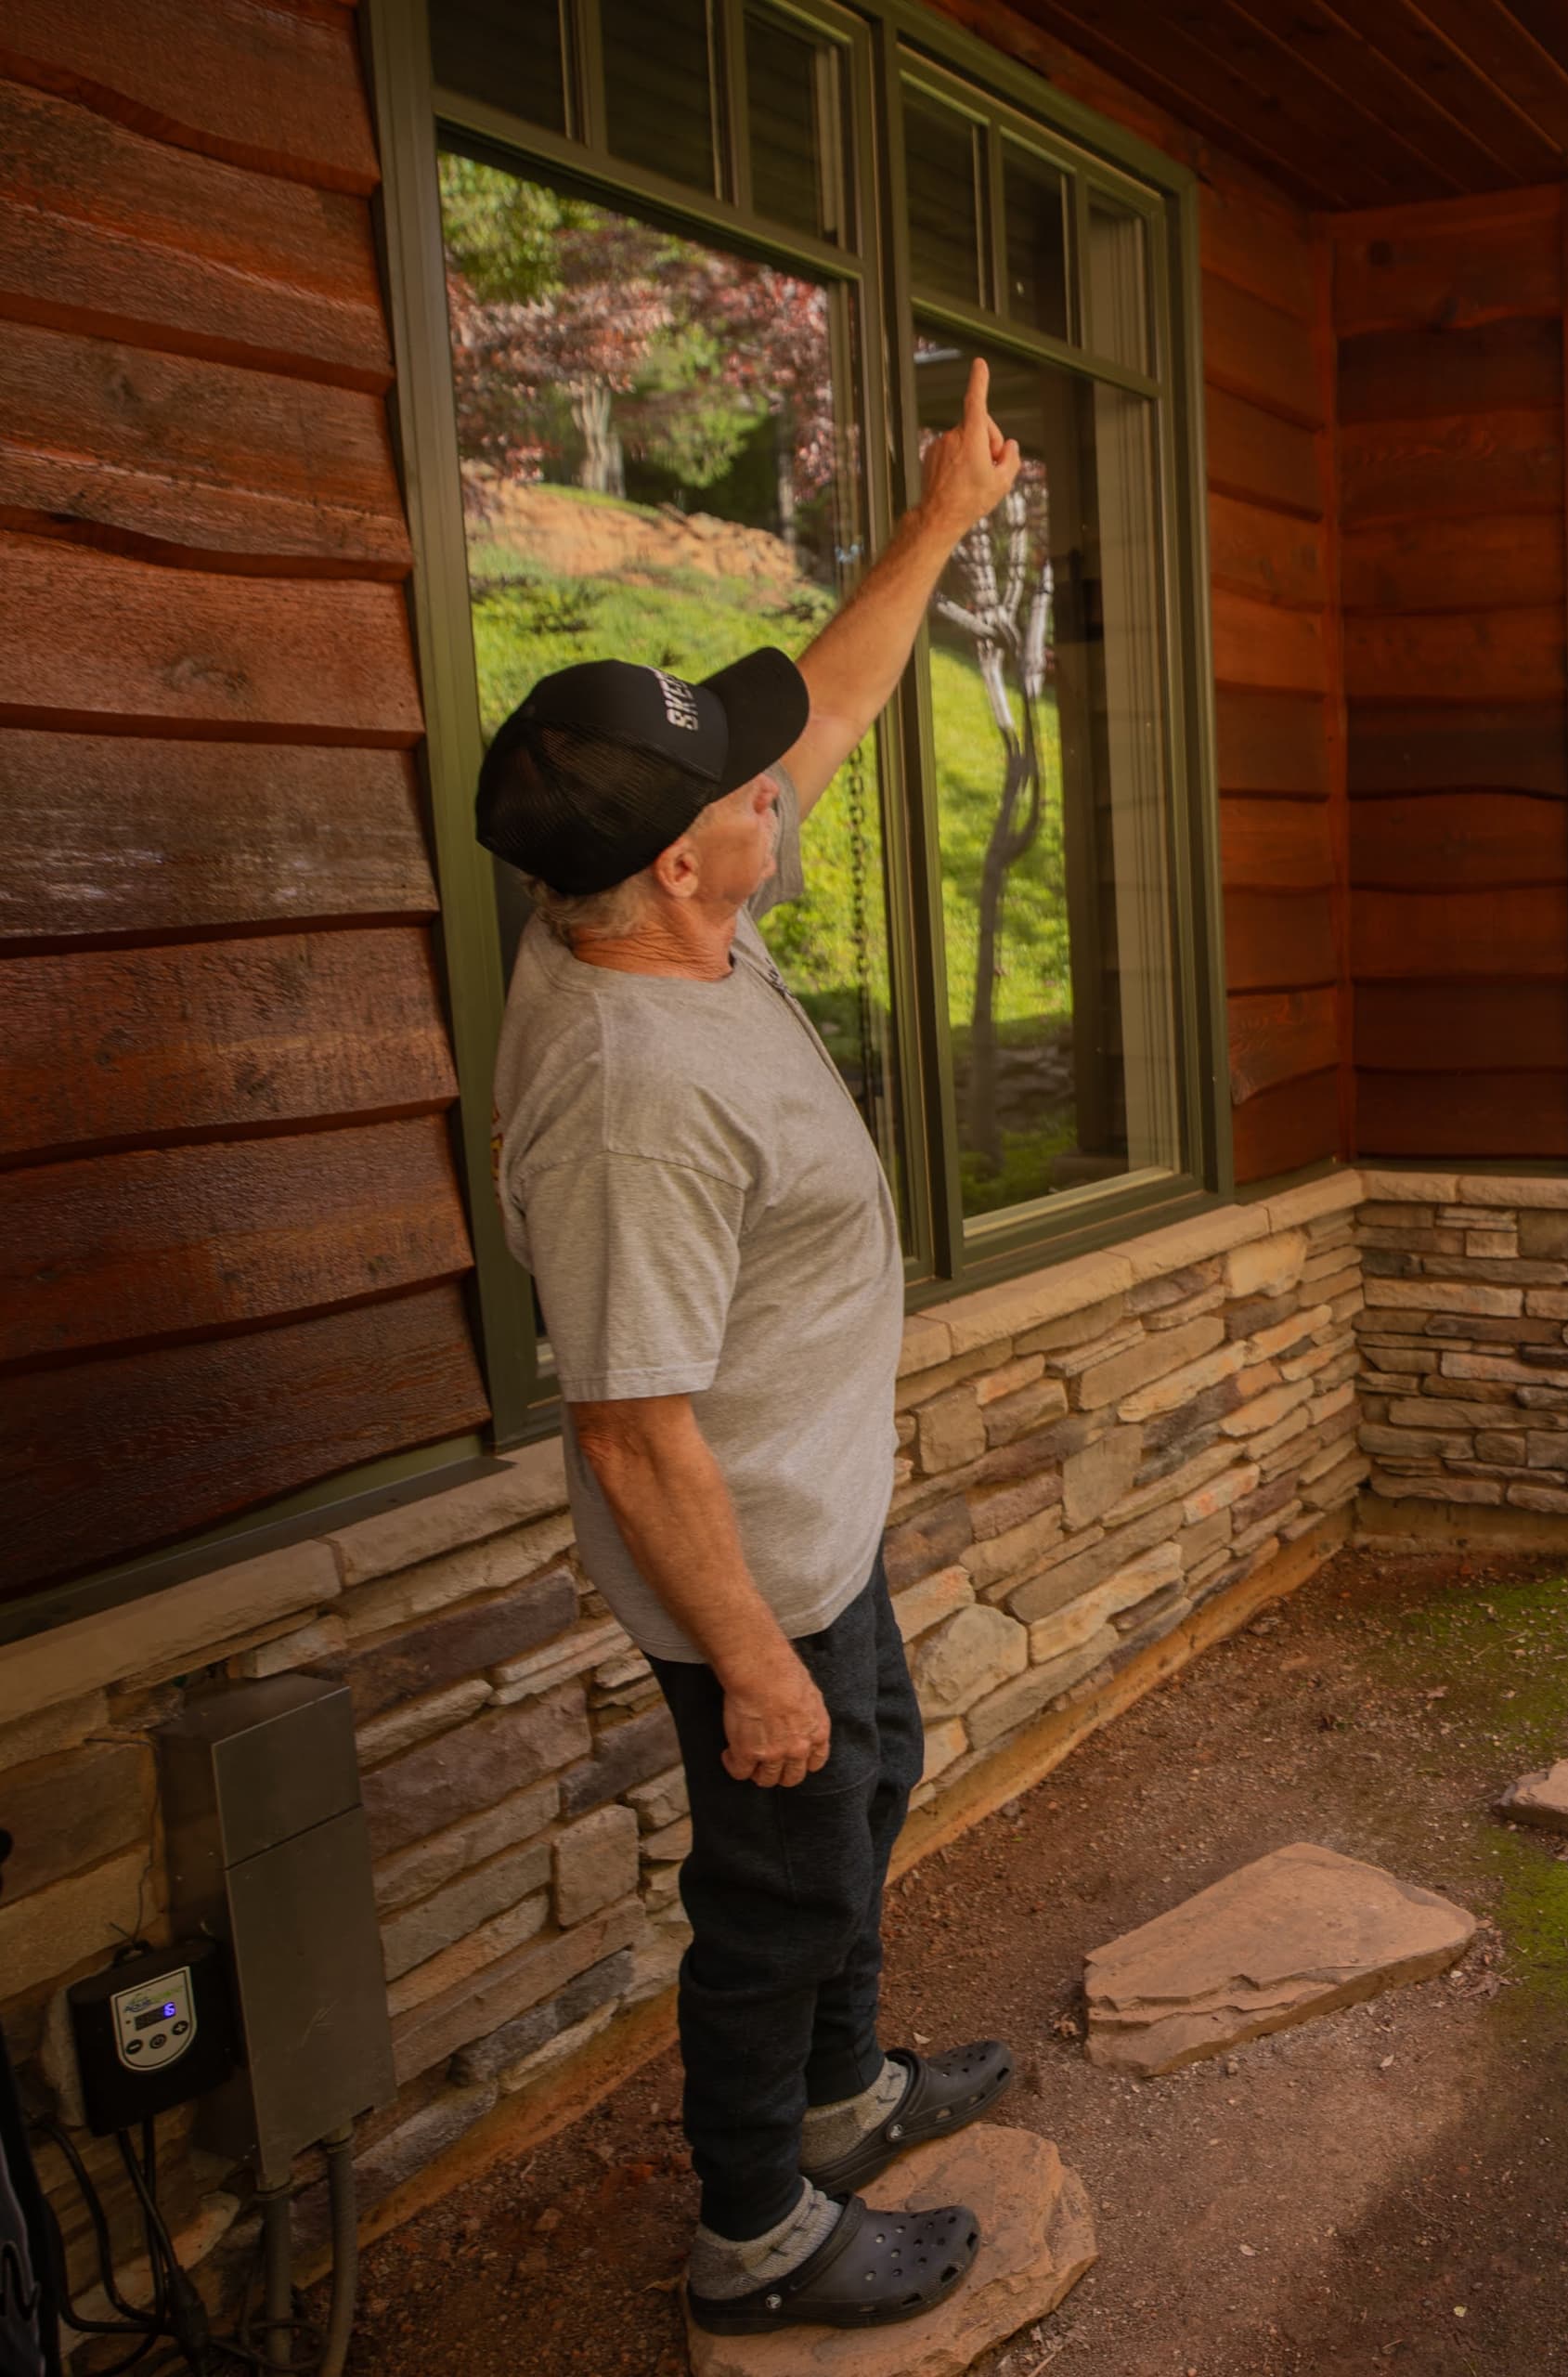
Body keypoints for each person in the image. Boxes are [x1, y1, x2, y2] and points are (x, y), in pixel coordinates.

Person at [477, 362, 1028, 2339]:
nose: (779, 786)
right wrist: (755, 1656)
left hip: (807, 1513)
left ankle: (840, 2089)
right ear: (683, 863)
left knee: (861, 1798)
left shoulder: (653, 910)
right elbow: (628, 1426)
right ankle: (759, 2225)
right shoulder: (625, 1088)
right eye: (744, 796)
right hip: (739, 1569)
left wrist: (944, 515)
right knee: (779, 1871)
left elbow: (832, 694)